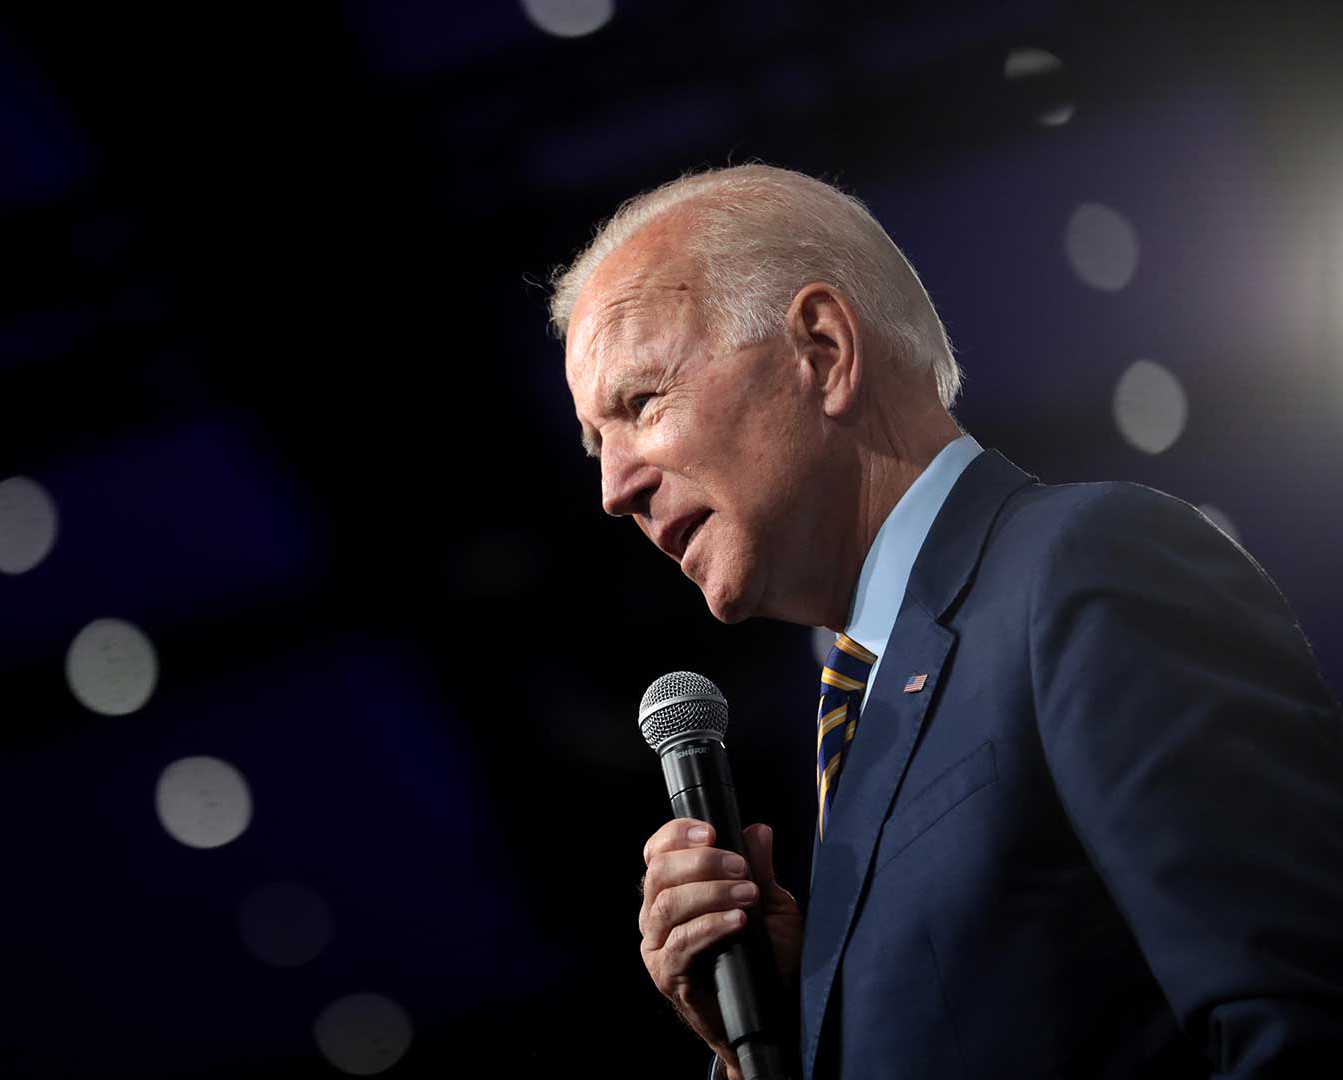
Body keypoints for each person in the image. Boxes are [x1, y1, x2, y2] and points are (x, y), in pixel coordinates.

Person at [549, 163, 1343, 1078]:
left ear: (822, 351)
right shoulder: (867, 702)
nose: (614, 490)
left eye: (641, 404)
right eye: (596, 445)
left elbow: (1297, 1021)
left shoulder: (1083, 567)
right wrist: (768, 1033)